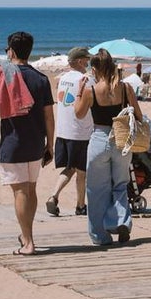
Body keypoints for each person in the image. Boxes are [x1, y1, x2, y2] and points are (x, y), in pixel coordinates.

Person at [0, 32, 55, 255]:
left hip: (13, 142)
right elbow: (49, 116)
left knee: (20, 192)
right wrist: (50, 144)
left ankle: (28, 242)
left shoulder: (3, 76)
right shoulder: (41, 79)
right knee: (30, 189)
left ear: (11, 51)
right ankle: (26, 234)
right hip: (36, 142)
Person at [74, 49, 143, 246]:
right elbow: (138, 115)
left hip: (100, 138)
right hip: (122, 140)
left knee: (96, 190)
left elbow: (78, 114)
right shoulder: (126, 88)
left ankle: (100, 236)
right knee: (120, 184)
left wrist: (79, 91)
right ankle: (121, 221)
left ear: (95, 69)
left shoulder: (91, 91)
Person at [46, 47, 93, 218]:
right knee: (81, 171)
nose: (88, 63)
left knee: (70, 168)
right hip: (79, 132)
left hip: (63, 131)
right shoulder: (85, 80)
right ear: (80, 61)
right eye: (86, 60)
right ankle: (80, 205)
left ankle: (54, 196)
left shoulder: (63, 79)